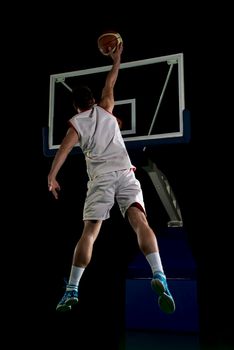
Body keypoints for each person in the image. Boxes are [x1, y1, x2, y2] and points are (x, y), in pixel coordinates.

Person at [47, 42, 175, 314]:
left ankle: (72, 288)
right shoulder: (106, 108)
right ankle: (160, 273)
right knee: (140, 222)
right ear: (92, 100)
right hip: (126, 175)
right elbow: (110, 81)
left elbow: (65, 150)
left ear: (76, 105)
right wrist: (116, 60)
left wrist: (52, 176)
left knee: (90, 233)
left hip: (101, 180)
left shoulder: (76, 124)